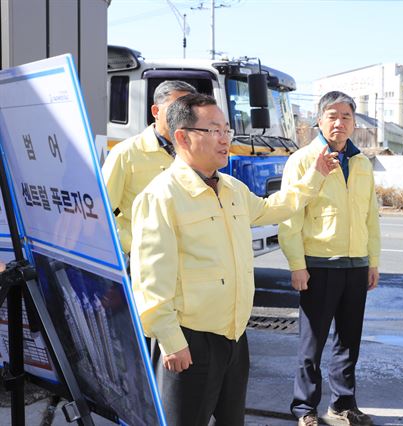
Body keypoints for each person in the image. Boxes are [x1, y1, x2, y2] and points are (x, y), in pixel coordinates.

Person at [129, 93, 338, 426]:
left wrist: (314, 176)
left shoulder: (232, 188)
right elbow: (150, 279)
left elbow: (273, 208)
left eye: (227, 129)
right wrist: (170, 340)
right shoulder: (162, 196)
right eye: (215, 130)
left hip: (234, 336)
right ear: (183, 137)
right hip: (190, 340)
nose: (226, 138)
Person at [278, 91, 381, 426]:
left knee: (348, 343)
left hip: (356, 265)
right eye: (332, 115)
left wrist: (373, 261)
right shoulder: (303, 160)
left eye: (346, 116)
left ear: (354, 122)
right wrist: (297, 264)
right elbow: (290, 216)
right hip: (319, 264)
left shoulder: (362, 162)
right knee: (313, 343)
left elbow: (371, 216)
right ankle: (304, 408)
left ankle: (343, 404)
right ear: (319, 120)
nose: (340, 122)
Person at [102, 80, 196, 254]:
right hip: (145, 257)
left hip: (187, 257)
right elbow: (102, 210)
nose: (183, 115)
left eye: (189, 110)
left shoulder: (196, 151)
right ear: (155, 111)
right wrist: (130, 246)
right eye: (175, 108)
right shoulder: (126, 153)